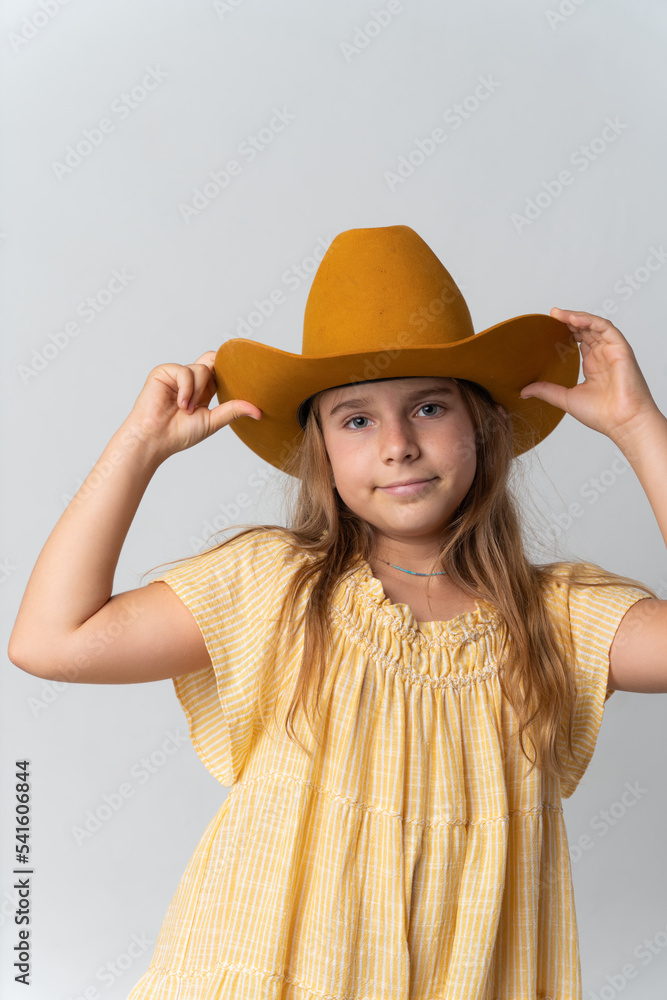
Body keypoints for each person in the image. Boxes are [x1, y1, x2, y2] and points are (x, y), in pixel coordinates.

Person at [8, 225, 667, 1000]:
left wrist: (636, 426)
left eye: (427, 407)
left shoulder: (556, 619)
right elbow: (52, 642)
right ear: (318, 449)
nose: (396, 445)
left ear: (484, 428)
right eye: (356, 419)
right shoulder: (273, 587)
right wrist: (139, 445)